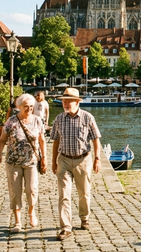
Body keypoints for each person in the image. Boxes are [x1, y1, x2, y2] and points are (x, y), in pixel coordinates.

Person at [51, 88, 102, 241]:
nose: (64, 103)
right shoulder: (59, 119)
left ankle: (84, 217)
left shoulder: (87, 118)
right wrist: (53, 161)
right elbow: (55, 141)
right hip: (64, 160)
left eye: (68, 101)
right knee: (64, 195)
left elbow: (96, 139)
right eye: (63, 101)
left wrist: (97, 158)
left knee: (84, 193)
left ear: (77, 102)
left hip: (83, 159)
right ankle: (66, 227)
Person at [0, 94, 46, 233]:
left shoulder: (37, 120)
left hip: (31, 162)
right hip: (13, 162)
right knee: (15, 192)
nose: (29, 109)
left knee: (31, 189)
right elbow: (2, 140)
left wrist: (44, 158)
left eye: (31, 106)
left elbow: (42, 140)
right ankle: (17, 222)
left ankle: (31, 211)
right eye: (26, 107)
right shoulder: (11, 121)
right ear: (18, 107)